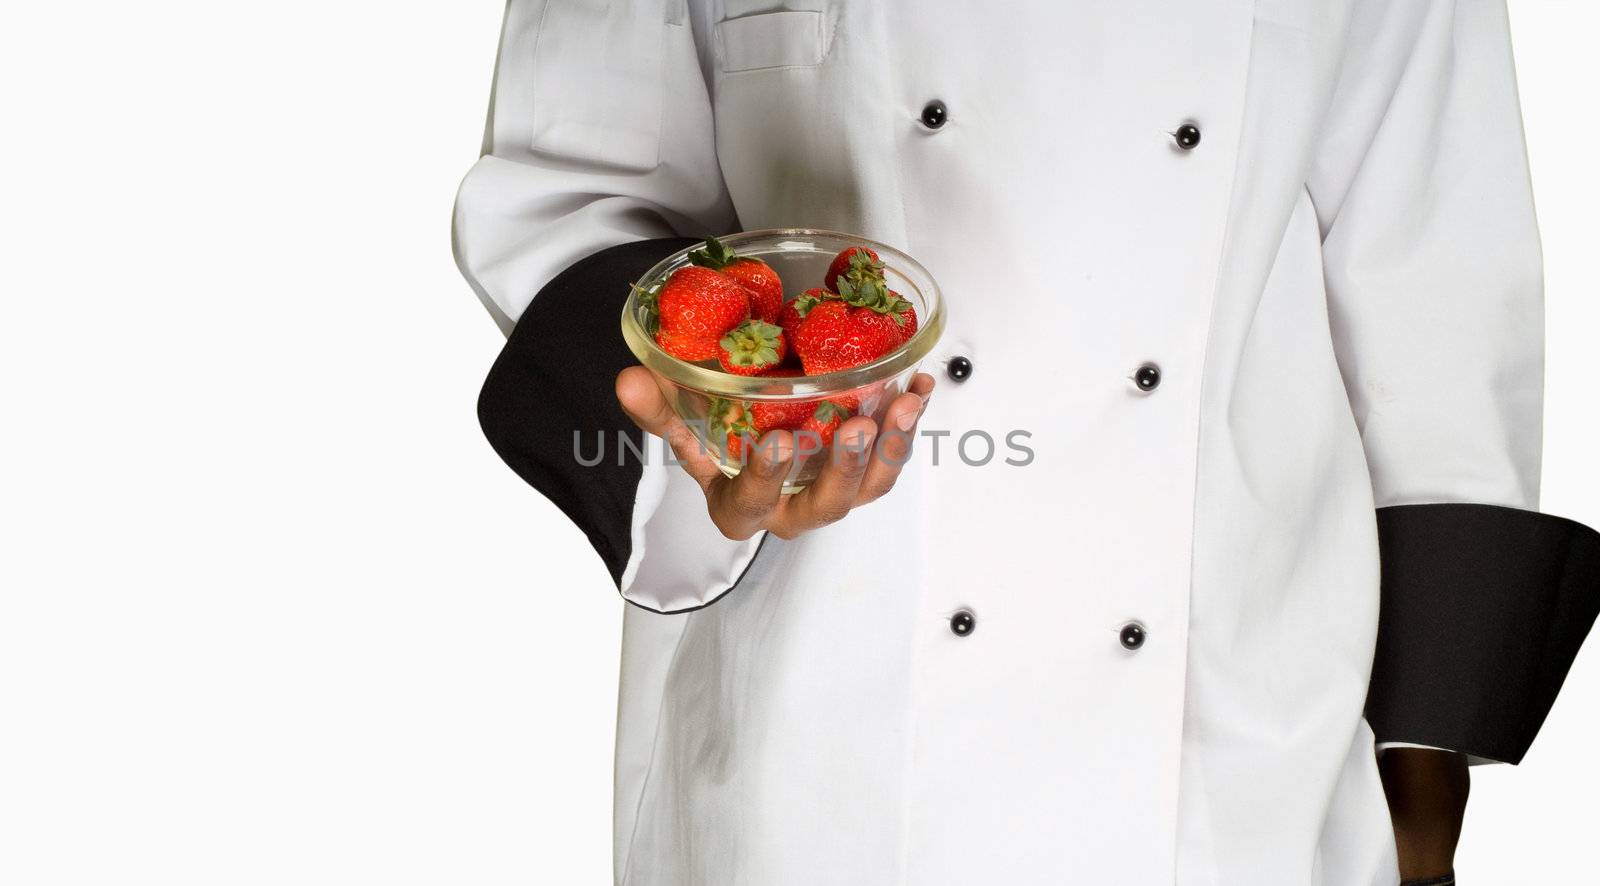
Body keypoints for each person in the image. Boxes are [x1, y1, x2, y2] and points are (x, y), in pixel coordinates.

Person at [453, 1, 1600, 883]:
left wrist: (1425, 770)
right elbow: (573, 187)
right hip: (816, 760)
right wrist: (711, 449)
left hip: (1242, 764)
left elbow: (1434, 279)